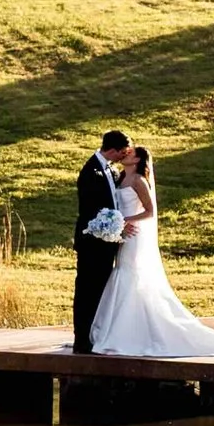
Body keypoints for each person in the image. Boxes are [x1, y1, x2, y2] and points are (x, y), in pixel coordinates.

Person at [89, 143, 214, 360]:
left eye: (130, 153)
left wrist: (124, 220)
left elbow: (150, 212)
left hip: (135, 235)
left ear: (138, 160)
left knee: (132, 275)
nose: (125, 154)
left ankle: (131, 332)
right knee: (123, 272)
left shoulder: (139, 181)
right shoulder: (120, 178)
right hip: (123, 234)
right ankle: (119, 330)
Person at [71, 127, 134, 351]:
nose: (124, 156)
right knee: (87, 289)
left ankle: (96, 335)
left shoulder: (112, 171)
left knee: (101, 290)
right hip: (92, 242)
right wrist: (114, 225)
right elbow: (91, 210)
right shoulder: (90, 172)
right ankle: (82, 338)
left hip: (107, 241)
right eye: (123, 152)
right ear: (114, 150)